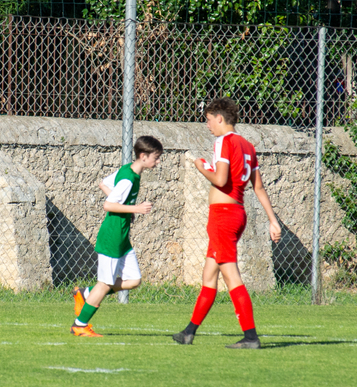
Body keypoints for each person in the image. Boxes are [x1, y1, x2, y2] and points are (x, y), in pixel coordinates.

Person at [173, 97, 280, 349]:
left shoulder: (223, 141)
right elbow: (258, 187)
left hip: (223, 215)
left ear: (219, 118)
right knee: (209, 275)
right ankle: (188, 332)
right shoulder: (248, 145)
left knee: (231, 277)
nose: (207, 125)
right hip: (237, 213)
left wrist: (201, 166)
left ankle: (251, 337)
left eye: (209, 120)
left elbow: (220, 180)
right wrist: (272, 220)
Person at [71, 135, 164, 337]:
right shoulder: (129, 179)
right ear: (143, 156)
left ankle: (86, 293)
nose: (158, 162)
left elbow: (104, 184)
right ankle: (80, 325)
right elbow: (108, 205)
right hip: (112, 236)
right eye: (156, 158)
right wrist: (135, 208)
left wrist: (127, 208)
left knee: (134, 280)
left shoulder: (129, 171)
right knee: (104, 284)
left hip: (122, 237)